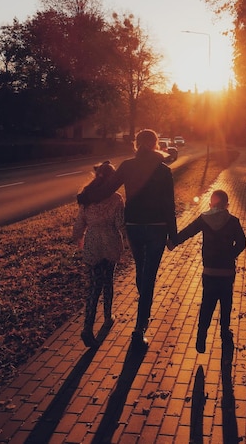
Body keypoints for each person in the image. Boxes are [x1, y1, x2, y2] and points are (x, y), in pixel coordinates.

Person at [77, 129, 177, 348]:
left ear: (137, 144)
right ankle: (140, 329)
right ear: (155, 144)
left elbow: (105, 190)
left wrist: (85, 195)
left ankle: (143, 313)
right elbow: (169, 205)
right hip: (157, 229)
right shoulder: (163, 171)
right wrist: (174, 235)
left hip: (134, 227)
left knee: (142, 272)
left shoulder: (127, 166)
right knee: (148, 277)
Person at [167, 189, 246, 353]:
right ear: (227, 204)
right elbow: (242, 242)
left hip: (209, 271)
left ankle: (201, 335)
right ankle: (224, 332)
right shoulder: (233, 221)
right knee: (226, 303)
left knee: (207, 303)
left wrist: (173, 242)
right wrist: (230, 255)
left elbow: (188, 232)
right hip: (226, 272)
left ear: (211, 203)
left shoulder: (204, 219)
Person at [73, 161, 127, 348]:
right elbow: (120, 224)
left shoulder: (87, 196)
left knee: (94, 286)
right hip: (111, 241)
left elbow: (79, 223)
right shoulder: (116, 198)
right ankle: (108, 315)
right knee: (108, 280)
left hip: (93, 242)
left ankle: (87, 327)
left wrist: (79, 238)